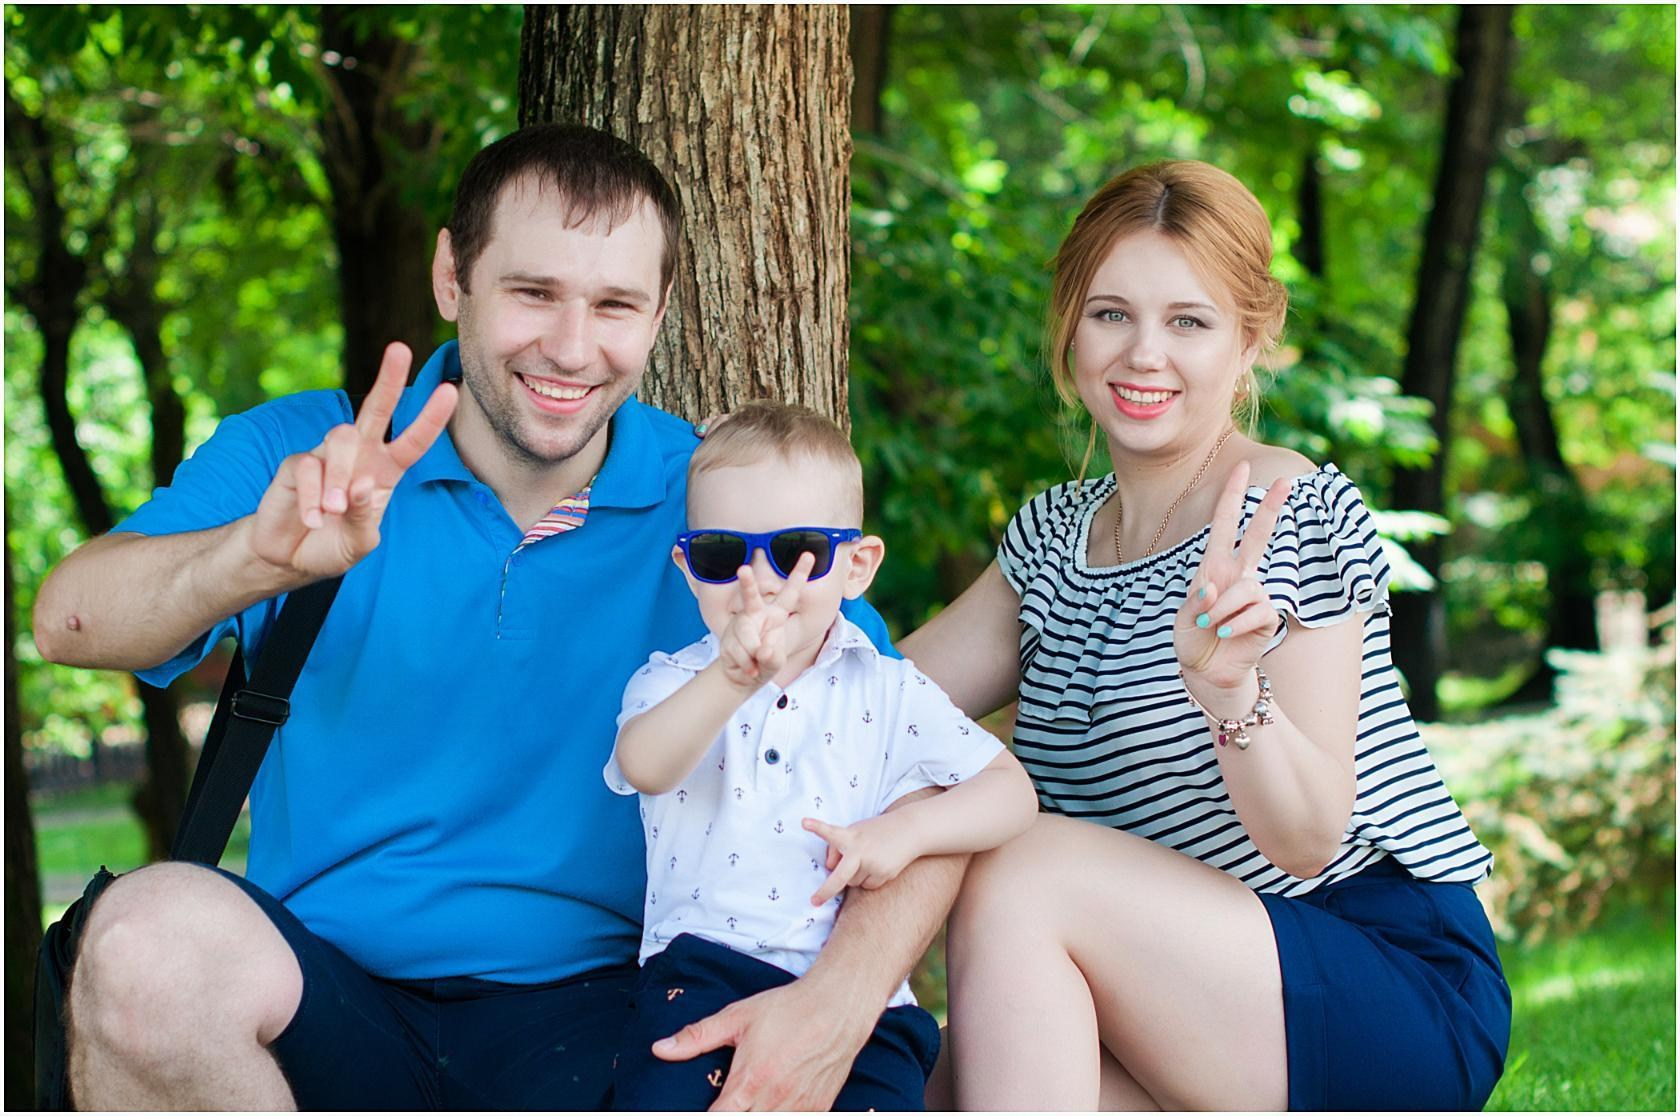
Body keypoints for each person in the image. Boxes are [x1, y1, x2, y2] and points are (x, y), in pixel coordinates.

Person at [31, 124, 966, 1111]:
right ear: (452, 276)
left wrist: (839, 1003)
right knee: (141, 944)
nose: (571, 347)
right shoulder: (309, 453)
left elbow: (914, 775)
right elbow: (68, 623)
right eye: (533, 293)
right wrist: (248, 558)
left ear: (658, 316)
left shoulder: (722, 506)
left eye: (614, 305)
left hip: (613, 1020)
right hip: (321, 996)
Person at [900, 160, 1511, 1110]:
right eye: (1111, 314)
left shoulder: (1291, 509)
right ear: (1069, 326)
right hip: (1177, 1000)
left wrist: (1233, 695)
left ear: (1252, 339)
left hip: (1376, 976)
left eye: (1189, 322)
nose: (1145, 354)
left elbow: (1310, 838)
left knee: (1025, 868)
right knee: (917, 1085)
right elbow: (881, 709)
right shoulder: (1051, 539)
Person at [603, 402, 1038, 1110]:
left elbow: (1010, 793)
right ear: (688, 567)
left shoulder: (892, 689)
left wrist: (907, 833)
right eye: (723, 554)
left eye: (795, 550)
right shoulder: (675, 679)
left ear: (858, 566)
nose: (762, 581)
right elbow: (645, 764)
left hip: (862, 1003)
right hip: (701, 973)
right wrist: (729, 679)